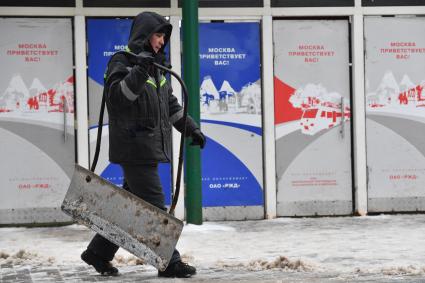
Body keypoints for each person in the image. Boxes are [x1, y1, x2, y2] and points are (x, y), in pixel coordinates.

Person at [80, 11, 206, 278]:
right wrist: (140, 69)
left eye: (164, 36)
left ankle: (97, 253)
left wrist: (191, 129)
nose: (161, 41)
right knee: (153, 205)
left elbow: (170, 105)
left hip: (148, 148)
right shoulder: (122, 62)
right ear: (144, 34)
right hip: (133, 148)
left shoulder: (158, 67)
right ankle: (169, 262)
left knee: (127, 209)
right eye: (158, 35)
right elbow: (117, 99)